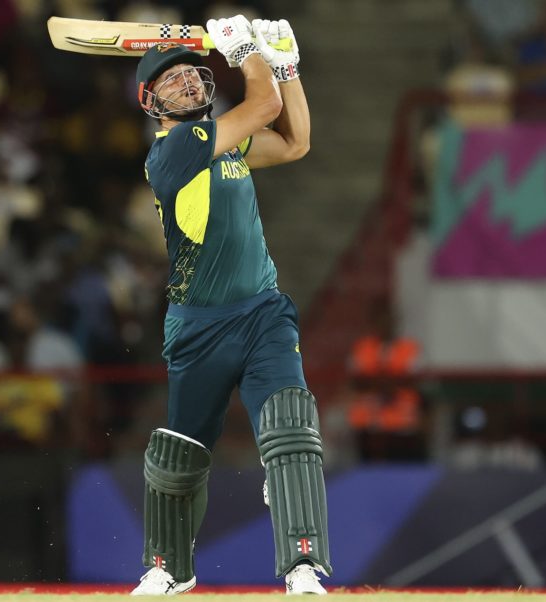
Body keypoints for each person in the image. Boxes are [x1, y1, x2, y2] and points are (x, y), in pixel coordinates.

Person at [129, 16, 331, 596]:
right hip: (198, 326)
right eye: (172, 81)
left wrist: (286, 66)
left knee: (290, 429)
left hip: (263, 313)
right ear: (151, 103)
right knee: (180, 456)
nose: (189, 82)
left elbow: (297, 141)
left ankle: (303, 565)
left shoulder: (224, 140)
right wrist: (249, 52)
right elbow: (264, 105)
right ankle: (168, 568)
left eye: (193, 71)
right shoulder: (173, 151)